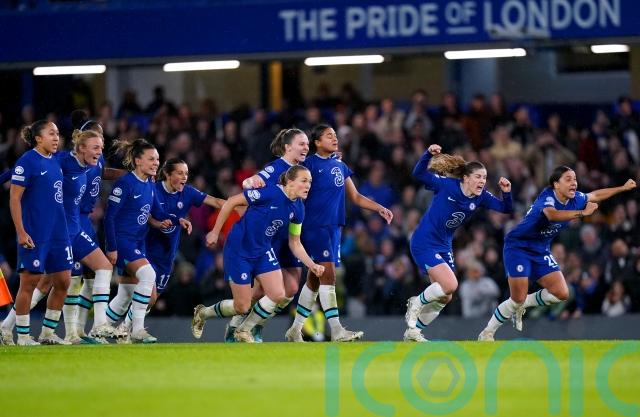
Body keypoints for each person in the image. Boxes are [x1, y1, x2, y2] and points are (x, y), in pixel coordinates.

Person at [478, 167, 636, 341]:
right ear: (556, 184)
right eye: (568, 179)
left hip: (540, 250)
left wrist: (622, 188)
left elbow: (595, 195)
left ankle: (523, 304)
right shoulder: (547, 197)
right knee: (516, 298)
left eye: (575, 179)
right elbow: (551, 215)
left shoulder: (575, 199)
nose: (574, 183)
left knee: (561, 293)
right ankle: (487, 333)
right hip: (518, 247)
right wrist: (582, 213)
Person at [285, 124, 393, 342]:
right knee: (329, 275)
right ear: (317, 142)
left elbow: (356, 197)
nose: (334, 139)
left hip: (334, 228)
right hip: (315, 227)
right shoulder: (309, 165)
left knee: (315, 279)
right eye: (329, 136)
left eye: (335, 136)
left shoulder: (340, 165)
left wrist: (379, 208)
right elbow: (291, 181)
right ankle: (336, 330)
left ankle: (295, 329)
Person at [191, 165, 325, 343]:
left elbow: (295, 243)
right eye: (304, 181)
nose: (308, 185)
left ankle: (244, 330)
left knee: (278, 294)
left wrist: (312, 265)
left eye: (310, 182)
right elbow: (232, 201)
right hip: (239, 249)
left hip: (263, 250)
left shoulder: (299, 209)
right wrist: (215, 232)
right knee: (242, 306)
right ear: (290, 182)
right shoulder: (269, 193)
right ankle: (203, 313)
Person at [403, 144, 512, 342]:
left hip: (444, 245)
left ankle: (413, 331)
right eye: (478, 177)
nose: (482, 181)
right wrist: (427, 154)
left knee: (446, 296)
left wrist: (506, 192)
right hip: (424, 242)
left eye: (484, 178)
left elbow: (505, 208)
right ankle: (415, 303)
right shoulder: (447, 185)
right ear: (466, 178)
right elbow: (418, 174)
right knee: (450, 284)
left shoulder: (480, 197)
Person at [117, 158, 225, 338]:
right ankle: (125, 329)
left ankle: (123, 329)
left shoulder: (188, 192)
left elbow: (216, 202)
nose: (184, 177)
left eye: (186, 174)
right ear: (167, 174)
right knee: (147, 296)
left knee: (150, 301)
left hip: (167, 256)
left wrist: (238, 204)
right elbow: (144, 213)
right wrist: (155, 222)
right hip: (146, 250)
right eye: (180, 173)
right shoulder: (153, 189)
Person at [224, 128, 309, 342]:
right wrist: (249, 182)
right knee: (261, 292)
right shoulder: (275, 168)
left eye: (307, 144)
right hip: (268, 238)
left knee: (291, 289)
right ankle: (239, 325)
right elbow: (251, 182)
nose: (306, 147)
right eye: (301, 144)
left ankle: (254, 324)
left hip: (289, 234)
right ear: (288, 147)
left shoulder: (304, 169)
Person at [102, 138, 190, 343]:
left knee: (125, 295)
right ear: (138, 161)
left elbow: (157, 211)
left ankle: (99, 330)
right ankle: (137, 330)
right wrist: (112, 247)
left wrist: (177, 220)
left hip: (138, 243)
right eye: (151, 159)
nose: (156, 163)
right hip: (123, 242)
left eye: (157, 159)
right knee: (148, 275)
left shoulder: (149, 183)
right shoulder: (125, 183)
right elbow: (109, 218)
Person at [5, 120, 74, 345]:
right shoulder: (27, 161)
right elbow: (14, 198)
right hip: (35, 231)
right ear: (38, 138)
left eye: (57, 133)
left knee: (63, 281)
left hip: (59, 232)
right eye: (51, 133)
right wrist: (21, 231)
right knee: (29, 283)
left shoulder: (55, 161)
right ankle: (23, 336)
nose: (56, 138)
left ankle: (47, 333)